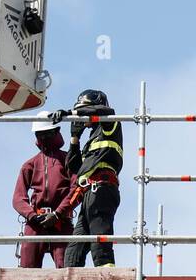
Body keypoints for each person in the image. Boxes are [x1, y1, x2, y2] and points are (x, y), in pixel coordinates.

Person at [50, 90, 123, 268]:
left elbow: (105, 112)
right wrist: (75, 138)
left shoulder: (109, 125)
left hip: (103, 189)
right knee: (74, 250)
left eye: (85, 110)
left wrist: (71, 112)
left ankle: (108, 279)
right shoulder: (91, 140)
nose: (83, 116)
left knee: (99, 241)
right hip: (89, 194)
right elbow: (74, 168)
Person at [12, 120, 73, 268]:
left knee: (66, 269)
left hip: (61, 221)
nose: (45, 137)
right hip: (36, 223)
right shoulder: (30, 165)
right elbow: (18, 198)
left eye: (48, 133)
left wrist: (58, 213)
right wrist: (32, 216)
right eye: (41, 134)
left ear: (55, 132)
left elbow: (76, 190)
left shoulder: (68, 161)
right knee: (28, 270)